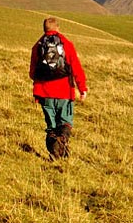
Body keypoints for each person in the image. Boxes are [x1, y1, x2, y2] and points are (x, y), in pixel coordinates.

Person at [29, 17, 88, 160]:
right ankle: (60, 151)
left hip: (44, 93)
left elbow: (32, 73)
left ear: (44, 29)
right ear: (58, 28)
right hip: (64, 92)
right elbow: (76, 68)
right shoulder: (66, 44)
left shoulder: (37, 46)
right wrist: (82, 88)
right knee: (65, 123)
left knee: (51, 127)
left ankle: (56, 153)